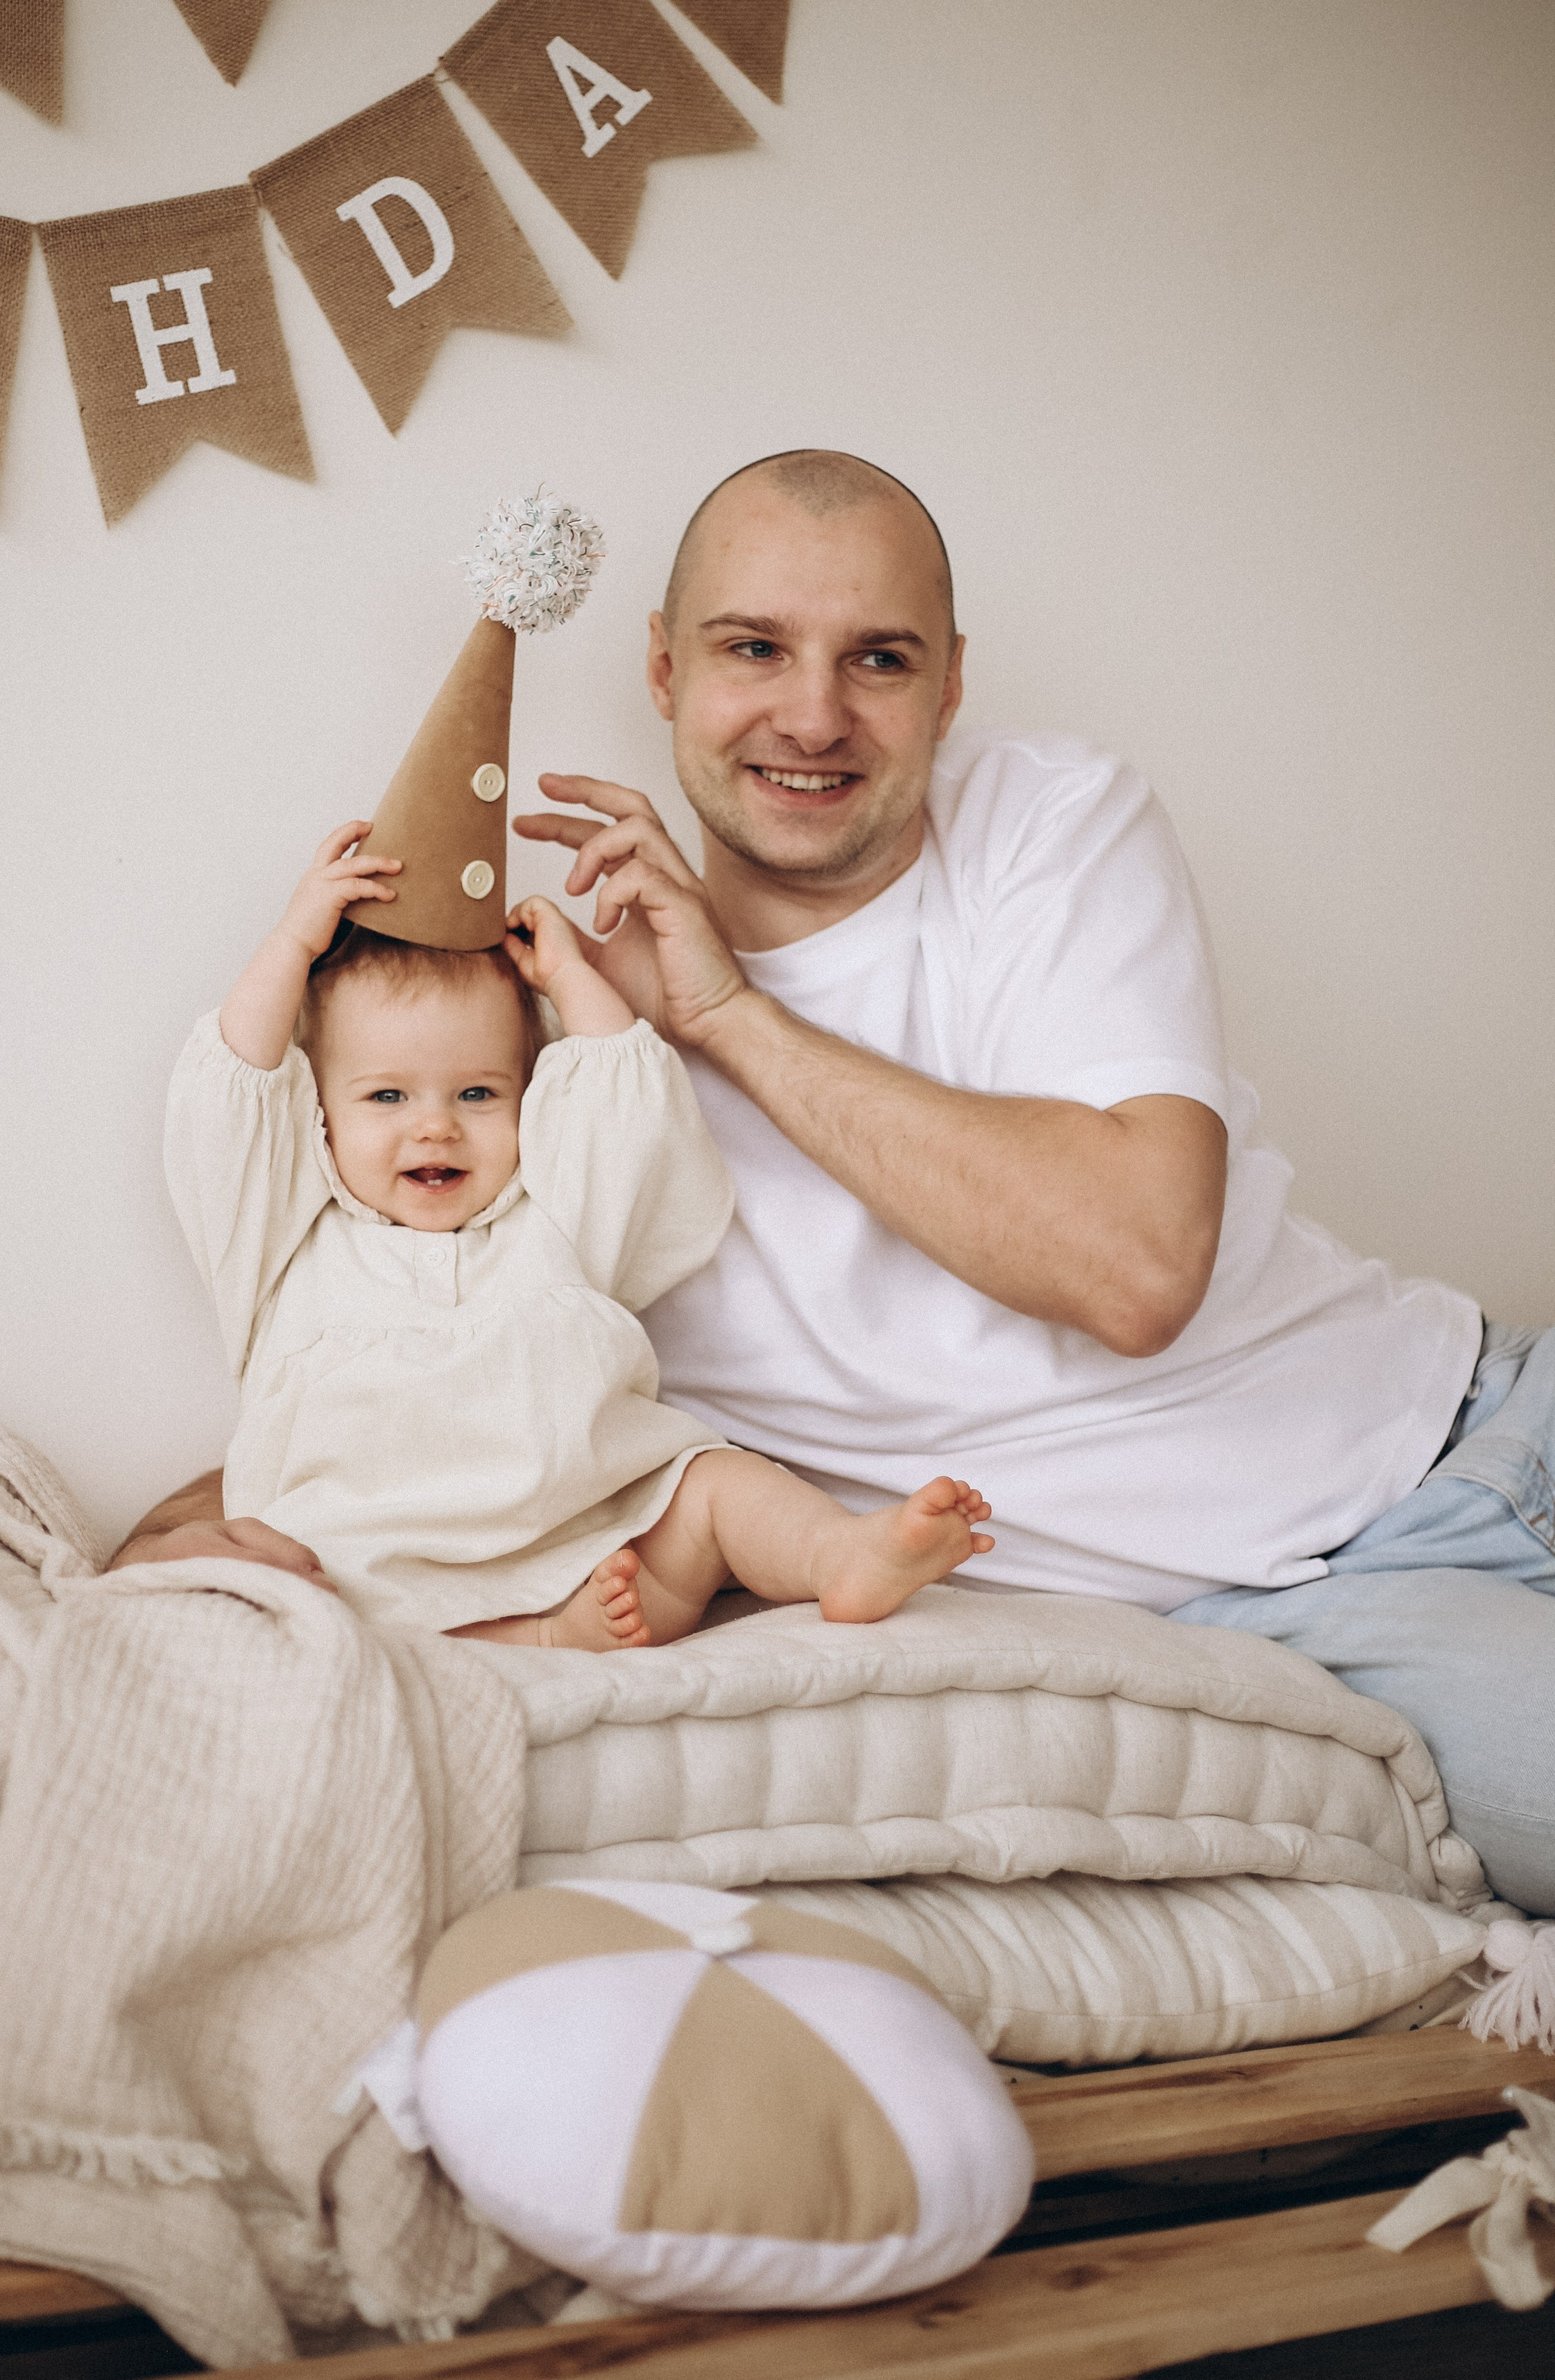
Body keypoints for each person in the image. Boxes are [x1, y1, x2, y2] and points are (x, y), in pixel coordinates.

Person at [500, 448, 1555, 1915]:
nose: (812, 715)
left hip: (1485, 1422)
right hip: (1316, 1621)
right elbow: (397, 1369)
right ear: (665, 672)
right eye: (754, 648)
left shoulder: (1046, 820)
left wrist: (733, 1018)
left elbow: (1132, 1262)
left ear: (945, 689)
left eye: (878, 659)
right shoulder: (567, 1065)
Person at [120, 826, 993, 1647]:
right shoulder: (286, 1241)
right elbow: (225, 1102)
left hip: (589, 1531)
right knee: (293, 1576)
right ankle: (544, 1634)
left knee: (717, 1481)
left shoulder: (556, 1216)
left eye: (477, 1095)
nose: (435, 1129)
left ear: (530, 1103)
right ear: (317, 1115)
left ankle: (837, 1555)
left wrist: (571, 980)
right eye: (387, 1097)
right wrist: (291, 947)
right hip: (375, 1555)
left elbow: (630, 1116)